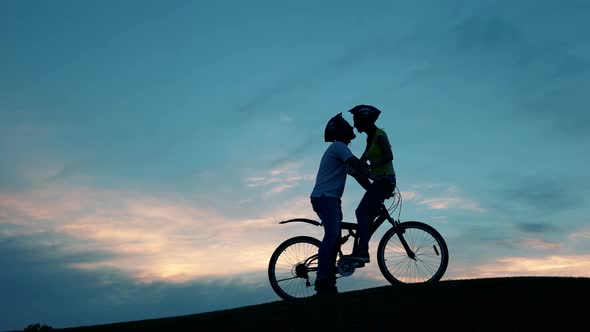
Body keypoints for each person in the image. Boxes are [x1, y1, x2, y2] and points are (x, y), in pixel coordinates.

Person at [310, 113, 372, 295]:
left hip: (330, 199)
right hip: (325, 198)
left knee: (335, 238)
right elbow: (357, 165)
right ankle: (322, 278)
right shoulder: (339, 147)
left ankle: (328, 281)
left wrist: (373, 188)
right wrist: (377, 177)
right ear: (339, 131)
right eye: (346, 125)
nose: (351, 127)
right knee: (332, 236)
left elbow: (357, 173)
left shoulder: (341, 151)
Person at [343, 104, 396, 263]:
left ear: (365, 120)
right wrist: (351, 167)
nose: (355, 124)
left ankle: (363, 252)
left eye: (356, 120)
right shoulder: (370, 138)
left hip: (385, 180)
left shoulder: (380, 135)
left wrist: (370, 167)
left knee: (361, 212)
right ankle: (361, 248)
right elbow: (361, 162)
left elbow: (389, 156)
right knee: (367, 216)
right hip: (379, 182)